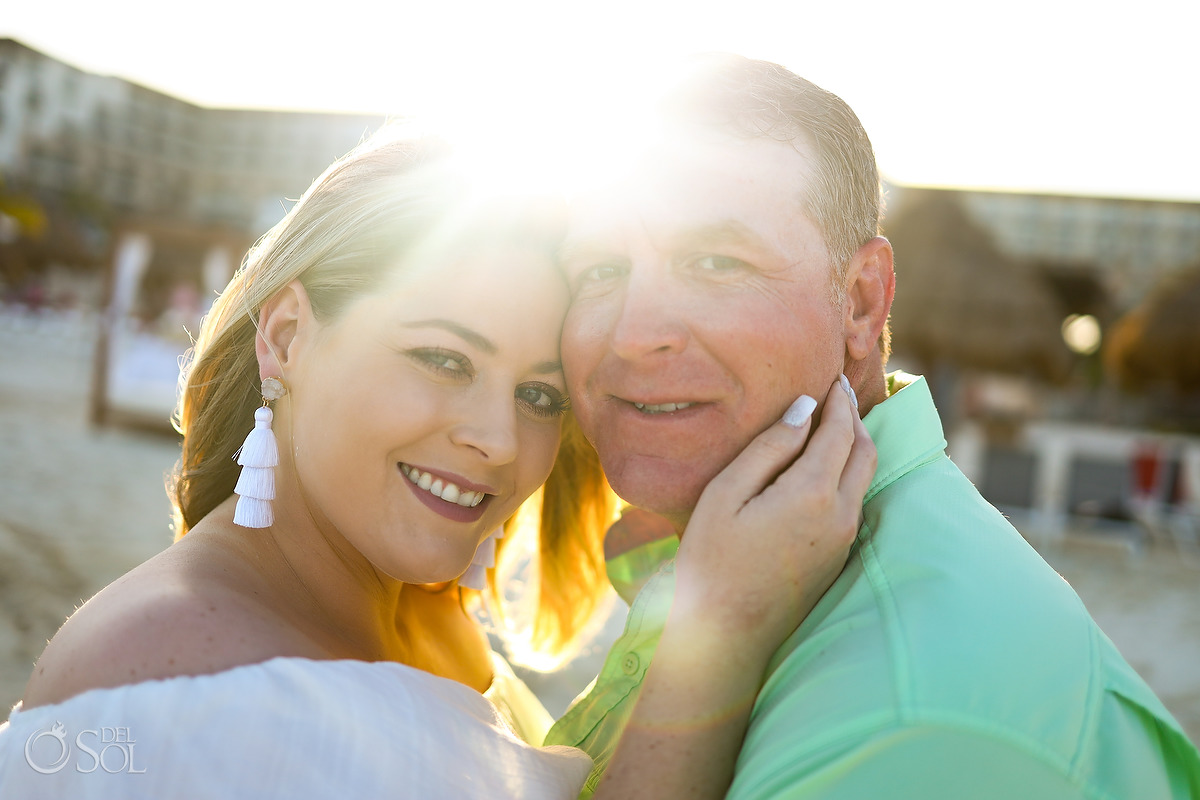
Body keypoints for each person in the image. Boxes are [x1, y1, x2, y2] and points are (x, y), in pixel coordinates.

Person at [0, 127, 873, 798]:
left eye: (540, 396)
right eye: (443, 361)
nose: (497, 440)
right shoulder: (180, 670)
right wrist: (715, 633)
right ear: (288, 337)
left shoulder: (421, 615)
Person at [545, 53, 1200, 798]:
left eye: (716, 262)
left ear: (859, 303)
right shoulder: (761, 557)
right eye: (598, 269)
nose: (633, 334)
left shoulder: (907, 719)